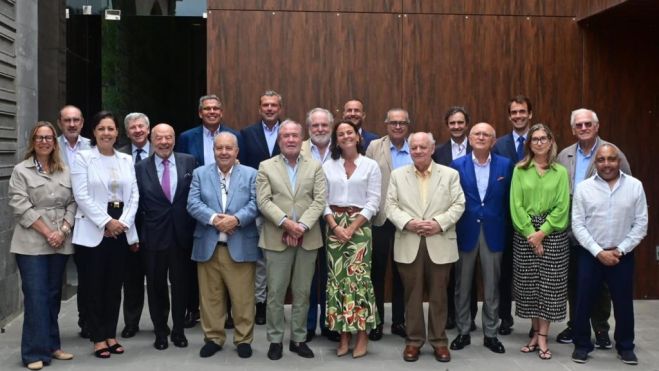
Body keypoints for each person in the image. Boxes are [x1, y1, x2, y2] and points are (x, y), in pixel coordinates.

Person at [386, 132, 465, 363]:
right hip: (409, 240)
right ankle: (413, 341)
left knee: (439, 295)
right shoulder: (397, 175)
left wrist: (438, 224)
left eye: (423, 147)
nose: (418, 151)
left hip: (439, 241)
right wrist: (409, 223)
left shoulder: (450, 174)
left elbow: (459, 204)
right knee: (412, 295)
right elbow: (390, 206)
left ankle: (440, 342)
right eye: (414, 147)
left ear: (432, 149)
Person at [555, 108, 631, 347]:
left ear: (597, 126)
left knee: (602, 286)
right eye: (579, 125)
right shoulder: (565, 155)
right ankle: (575, 326)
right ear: (572, 129)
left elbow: (627, 187)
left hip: (602, 231)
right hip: (571, 230)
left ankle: (600, 328)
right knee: (574, 281)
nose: (584, 128)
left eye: (588, 124)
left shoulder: (612, 152)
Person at [70, 111, 139, 359]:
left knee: (113, 285)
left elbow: (134, 195)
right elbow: (81, 195)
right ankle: (98, 337)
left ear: (117, 132)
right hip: (94, 228)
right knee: (93, 286)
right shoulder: (83, 158)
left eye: (110, 129)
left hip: (121, 228)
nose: (106, 133)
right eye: (101, 129)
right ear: (94, 132)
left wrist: (123, 223)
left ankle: (111, 334)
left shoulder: (126, 159)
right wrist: (106, 222)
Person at [570, 144, 647, 365]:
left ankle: (625, 346)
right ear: (596, 163)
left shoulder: (634, 186)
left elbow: (641, 223)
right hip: (590, 254)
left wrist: (620, 249)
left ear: (619, 161)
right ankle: (582, 344)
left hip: (622, 254)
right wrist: (598, 251)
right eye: (601, 160)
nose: (606, 164)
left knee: (623, 303)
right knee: (583, 301)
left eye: (611, 159)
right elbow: (578, 224)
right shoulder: (584, 188)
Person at [256, 120, 326, 360]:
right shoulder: (266, 166)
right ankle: (275, 340)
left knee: (302, 292)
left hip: (308, 238)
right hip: (277, 237)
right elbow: (263, 201)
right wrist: (287, 224)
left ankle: (298, 339)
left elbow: (319, 200)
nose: (290, 139)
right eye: (285, 135)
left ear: (301, 138)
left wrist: (302, 227)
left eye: (295, 135)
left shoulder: (315, 166)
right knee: (275, 293)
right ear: (279, 140)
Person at [9, 122, 77, 370]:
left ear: (54, 142)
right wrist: (49, 232)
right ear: (33, 141)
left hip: (60, 240)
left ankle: (52, 346)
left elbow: (73, 202)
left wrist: (64, 231)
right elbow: (20, 206)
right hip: (32, 243)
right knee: (36, 297)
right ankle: (33, 353)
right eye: (40, 137)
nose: (45, 141)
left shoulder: (65, 170)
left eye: (49, 137)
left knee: (52, 296)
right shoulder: (21, 170)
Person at [187, 132, 261, 359]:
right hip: (209, 246)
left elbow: (256, 203)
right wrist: (215, 220)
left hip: (240, 247)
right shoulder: (200, 173)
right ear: (213, 151)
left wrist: (236, 219)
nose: (224, 152)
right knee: (210, 298)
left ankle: (243, 339)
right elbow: (192, 203)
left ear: (237, 151)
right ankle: (214, 338)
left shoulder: (251, 174)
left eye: (229, 148)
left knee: (243, 298)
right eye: (219, 148)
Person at [176, 94, 241, 329]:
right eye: (207, 109)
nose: (212, 112)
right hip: (198, 208)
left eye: (216, 108)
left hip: (230, 209)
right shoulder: (186, 137)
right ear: (200, 113)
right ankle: (194, 309)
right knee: (199, 261)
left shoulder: (234, 135)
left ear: (221, 112)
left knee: (231, 262)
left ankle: (231, 313)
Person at [449, 123, 512, 354]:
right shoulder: (457, 165)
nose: (481, 137)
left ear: (493, 141)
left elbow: (508, 200)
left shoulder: (506, 165)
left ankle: (491, 334)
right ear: (470, 138)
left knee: (492, 286)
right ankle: (463, 331)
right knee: (462, 285)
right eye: (477, 134)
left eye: (487, 134)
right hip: (466, 231)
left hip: (494, 232)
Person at [510, 123, 570, 360]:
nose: (539, 142)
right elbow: (516, 206)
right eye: (534, 139)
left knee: (549, 287)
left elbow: (563, 206)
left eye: (543, 138)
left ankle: (543, 337)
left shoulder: (561, 172)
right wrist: (530, 234)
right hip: (525, 233)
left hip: (553, 236)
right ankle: (535, 333)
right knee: (530, 287)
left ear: (551, 141)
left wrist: (541, 233)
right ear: (529, 144)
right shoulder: (520, 170)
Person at [134, 124, 197, 350]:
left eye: (168, 137)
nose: (164, 142)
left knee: (181, 285)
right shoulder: (141, 167)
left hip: (182, 235)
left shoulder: (189, 162)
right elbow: (136, 203)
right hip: (153, 236)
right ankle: (160, 331)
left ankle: (178, 331)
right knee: (156, 285)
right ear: (152, 140)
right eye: (159, 138)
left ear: (174, 140)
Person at [323, 120, 381, 358]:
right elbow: (322, 200)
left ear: (358, 137)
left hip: (360, 229)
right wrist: (336, 227)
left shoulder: (370, 166)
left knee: (359, 283)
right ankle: (343, 335)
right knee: (337, 283)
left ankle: (362, 335)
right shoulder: (328, 165)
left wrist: (353, 227)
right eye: (341, 134)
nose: (346, 136)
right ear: (336, 140)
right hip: (334, 228)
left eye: (350, 132)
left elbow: (374, 201)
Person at [364, 108, 411, 341]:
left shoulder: (416, 146)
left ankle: (400, 321)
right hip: (380, 218)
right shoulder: (374, 147)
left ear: (408, 125)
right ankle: (376, 321)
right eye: (393, 122)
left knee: (402, 272)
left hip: (406, 219)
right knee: (377, 272)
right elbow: (368, 179)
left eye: (402, 122)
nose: (398, 126)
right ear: (386, 124)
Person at [431, 106, 477, 331]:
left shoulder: (478, 146)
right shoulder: (438, 152)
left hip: (472, 217)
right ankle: (450, 315)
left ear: (467, 124)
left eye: (460, 122)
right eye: (452, 123)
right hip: (444, 217)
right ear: (447, 125)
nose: (457, 127)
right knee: (447, 266)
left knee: (470, 267)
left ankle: (469, 315)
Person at [241, 90, 285, 326]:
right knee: (259, 259)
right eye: (265, 105)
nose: (269, 109)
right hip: (256, 207)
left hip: (284, 209)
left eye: (274, 105)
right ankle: (259, 305)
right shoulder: (247, 134)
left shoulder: (290, 133)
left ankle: (275, 304)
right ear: (259, 109)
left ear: (280, 108)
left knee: (279, 259)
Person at [492, 95, 534, 336]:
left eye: (522, 111)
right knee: (504, 272)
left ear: (530, 114)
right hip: (506, 219)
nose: (518, 116)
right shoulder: (499, 144)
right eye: (514, 112)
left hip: (536, 219)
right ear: (509, 116)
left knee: (532, 272)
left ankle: (534, 322)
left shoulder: (540, 140)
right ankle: (504, 317)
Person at [300, 108, 337, 342]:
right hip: (308, 220)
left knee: (333, 274)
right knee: (310, 275)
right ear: (308, 128)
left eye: (324, 125)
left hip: (337, 221)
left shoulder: (342, 147)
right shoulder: (299, 148)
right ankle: (309, 323)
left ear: (331, 127)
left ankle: (330, 324)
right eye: (315, 126)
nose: (320, 129)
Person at [56, 105, 91, 338]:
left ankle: (86, 322)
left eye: (76, 120)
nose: (72, 124)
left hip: (86, 218)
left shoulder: (92, 146)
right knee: (54, 278)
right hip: (57, 221)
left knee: (87, 275)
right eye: (67, 120)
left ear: (82, 122)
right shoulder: (49, 145)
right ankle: (49, 329)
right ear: (60, 123)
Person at [117, 112, 152, 339]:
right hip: (128, 224)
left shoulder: (160, 151)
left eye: (141, 126)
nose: (138, 130)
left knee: (158, 277)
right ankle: (131, 322)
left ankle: (161, 321)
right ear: (127, 132)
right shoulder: (119, 155)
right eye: (133, 127)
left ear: (148, 129)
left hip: (156, 224)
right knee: (131, 278)